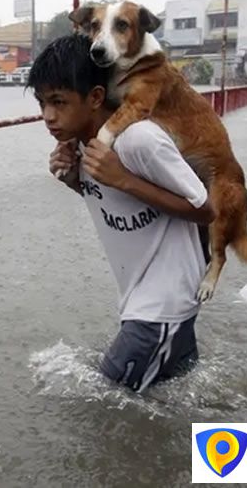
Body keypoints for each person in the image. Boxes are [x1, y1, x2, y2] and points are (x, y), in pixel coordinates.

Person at [27, 35, 216, 393]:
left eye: (58, 102)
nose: (48, 117)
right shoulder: (84, 146)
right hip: (149, 305)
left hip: (160, 309)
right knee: (172, 407)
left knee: (104, 414)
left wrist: (124, 178)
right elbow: (118, 203)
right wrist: (73, 180)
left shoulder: (139, 140)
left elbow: (205, 209)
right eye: (42, 103)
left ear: (96, 97)